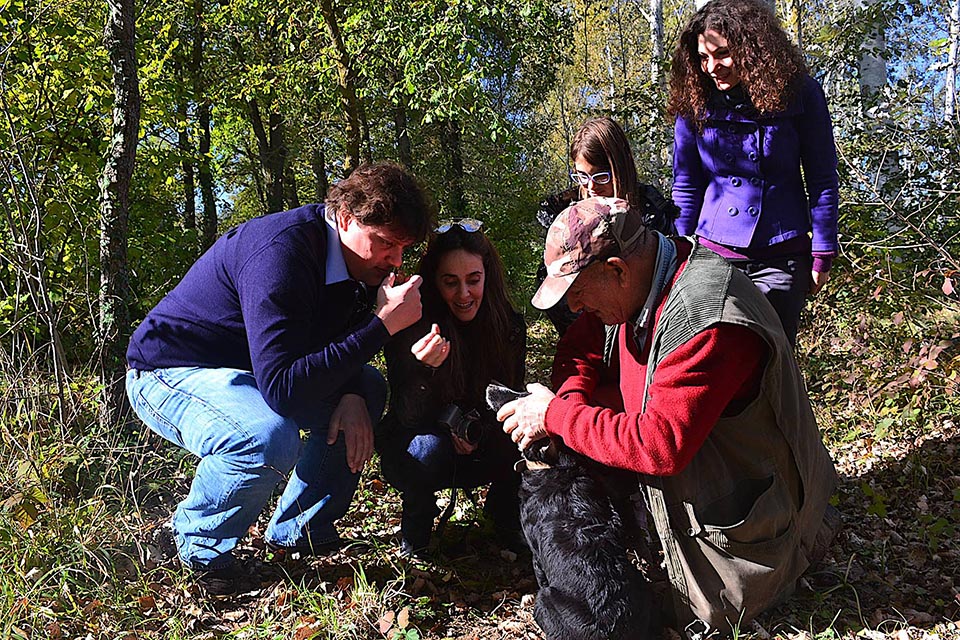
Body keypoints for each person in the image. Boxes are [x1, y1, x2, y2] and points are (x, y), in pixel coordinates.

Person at [498, 196, 840, 637]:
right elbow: (581, 350)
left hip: (753, 534)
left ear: (616, 269)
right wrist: (570, 403)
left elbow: (659, 446)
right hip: (707, 474)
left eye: (580, 296)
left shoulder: (707, 320)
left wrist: (556, 416)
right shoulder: (641, 283)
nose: (579, 310)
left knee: (605, 612)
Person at [125, 162, 434, 595]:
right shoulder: (280, 253)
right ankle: (190, 548)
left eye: (404, 248)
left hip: (253, 371)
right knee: (267, 435)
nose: (395, 261)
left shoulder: (361, 266)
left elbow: (326, 349)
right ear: (345, 217)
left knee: (367, 387)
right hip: (170, 371)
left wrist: (350, 389)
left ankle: (300, 532)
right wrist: (382, 325)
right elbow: (284, 390)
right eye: (385, 243)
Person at [668, 0, 839, 346]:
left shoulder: (801, 93)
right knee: (715, 363)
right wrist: (679, 252)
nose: (711, 67)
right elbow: (686, 185)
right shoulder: (694, 102)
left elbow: (822, 180)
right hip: (712, 258)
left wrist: (822, 252)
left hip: (782, 256)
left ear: (751, 49)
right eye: (703, 57)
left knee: (774, 369)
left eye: (722, 54)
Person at [376, 219, 526, 557]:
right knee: (428, 448)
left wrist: (477, 430)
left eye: (473, 281)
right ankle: (416, 534)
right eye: (450, 283)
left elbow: (512, 397)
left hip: (483, 441)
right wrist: (425, 370)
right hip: (422, 445)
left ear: (488, 276)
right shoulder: (411, 325)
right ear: (434, 283)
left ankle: (504, 518)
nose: (463, 294)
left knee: (524, 432)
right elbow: (406, 415)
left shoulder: (510, 327)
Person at [537, 116, 678, 337]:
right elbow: (565, 304)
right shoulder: (567, 219)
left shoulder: (652, 213)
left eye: (600, 176)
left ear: (620, 169)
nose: (591, 187)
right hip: (588, 336)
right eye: (582, 176)